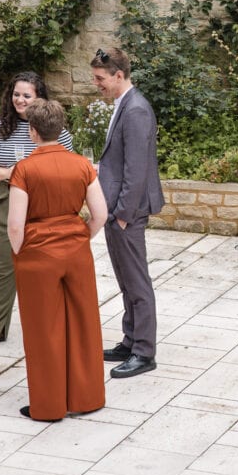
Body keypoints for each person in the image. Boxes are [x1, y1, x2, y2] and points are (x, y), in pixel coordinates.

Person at [7, 99, 107, 421]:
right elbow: (100, 214)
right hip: (76, 252)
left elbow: (14, 225)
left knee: (43, 330)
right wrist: (80, 237)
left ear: (33, 132)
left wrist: (20, 251)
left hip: (38, 255)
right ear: (61, 129)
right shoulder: (82, 165)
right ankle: (87, 398)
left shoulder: (24, 169)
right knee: (84, 324)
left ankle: (48, 406)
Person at [0, 72, 74, 352]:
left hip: (43, 203)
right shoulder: (1, 127)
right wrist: (10, 172)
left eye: (27, 95)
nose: (20, 99)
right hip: (8, 197)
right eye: (17, 94)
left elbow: (66, 167)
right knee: (4, 266)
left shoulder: (57, 132)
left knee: (45, 267)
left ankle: (51, 326)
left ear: (39, 98)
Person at [90, 47, 165, 379]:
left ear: (118, 75)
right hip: (116, 209)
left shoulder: (135, 110)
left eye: (100, 78)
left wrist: (121, 213)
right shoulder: (124, 105)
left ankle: (144, 351)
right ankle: (130, 339)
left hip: (126, 212)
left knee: (137, 281)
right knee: (125, 279)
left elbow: (137, 170)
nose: (97, 84)